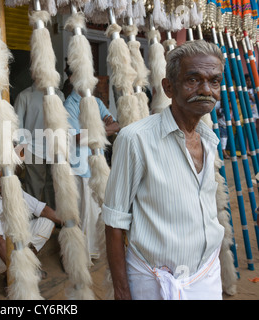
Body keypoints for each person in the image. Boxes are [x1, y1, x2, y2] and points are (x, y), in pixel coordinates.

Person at [103, 40, 225, 300]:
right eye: (193, 80)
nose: (206, 90)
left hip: (206, 276)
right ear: (168, 87)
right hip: (153, 281)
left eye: (214, 81)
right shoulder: (135, 139)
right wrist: (122, 291)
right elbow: (114, 224)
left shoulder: (209, 138)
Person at [0, 163, 61, 276]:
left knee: (47, 223)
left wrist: (69, 223)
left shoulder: (14, 190)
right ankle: (15, 276)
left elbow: (43, 210)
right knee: (3, 259)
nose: (1, 181)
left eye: (4, 175)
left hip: (14, 238)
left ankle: (27, 263)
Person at [64, 88, 120, 260]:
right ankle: (80, 255)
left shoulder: (95, 101)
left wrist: (95, 130)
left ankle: (94, 250)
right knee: (83, 212)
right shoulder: (69, 104)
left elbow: (117, 124)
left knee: (96, 209)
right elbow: (78, 138)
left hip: (97, 163)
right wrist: (103, 128)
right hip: (80, 165)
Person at [14, 83, 65, 210]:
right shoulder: (25, 96)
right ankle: (33, 219)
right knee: (34, 186)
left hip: (54, 148)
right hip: (33, 148)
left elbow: (64, 122)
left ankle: (54, 218)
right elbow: (17, 125)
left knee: (54, 186)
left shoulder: (58, 95)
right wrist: (22, 148)